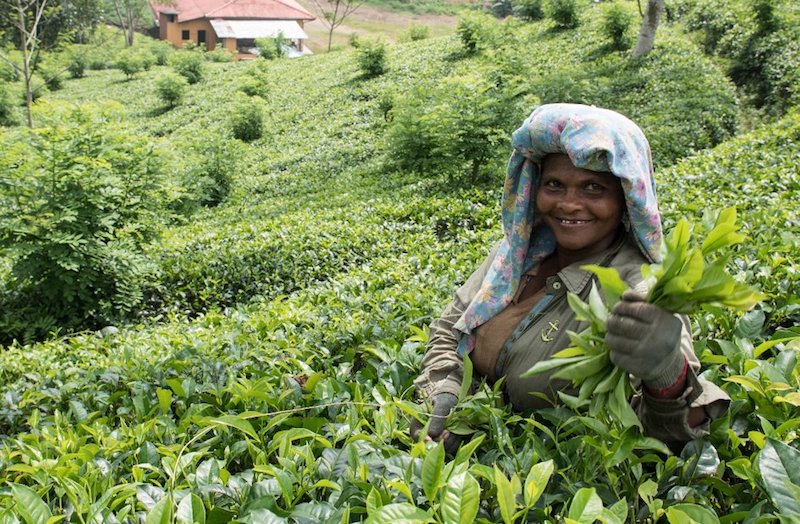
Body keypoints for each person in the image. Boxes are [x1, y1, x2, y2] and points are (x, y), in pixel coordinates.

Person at [411, 103, 730, 452]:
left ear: (625, 198)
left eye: (593, 188)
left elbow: (666, 434)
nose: (569, 204)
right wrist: (445, 392)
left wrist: (666, 375)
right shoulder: (516, 256)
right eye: (554, 185)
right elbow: (450, 327)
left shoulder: (640, 289)